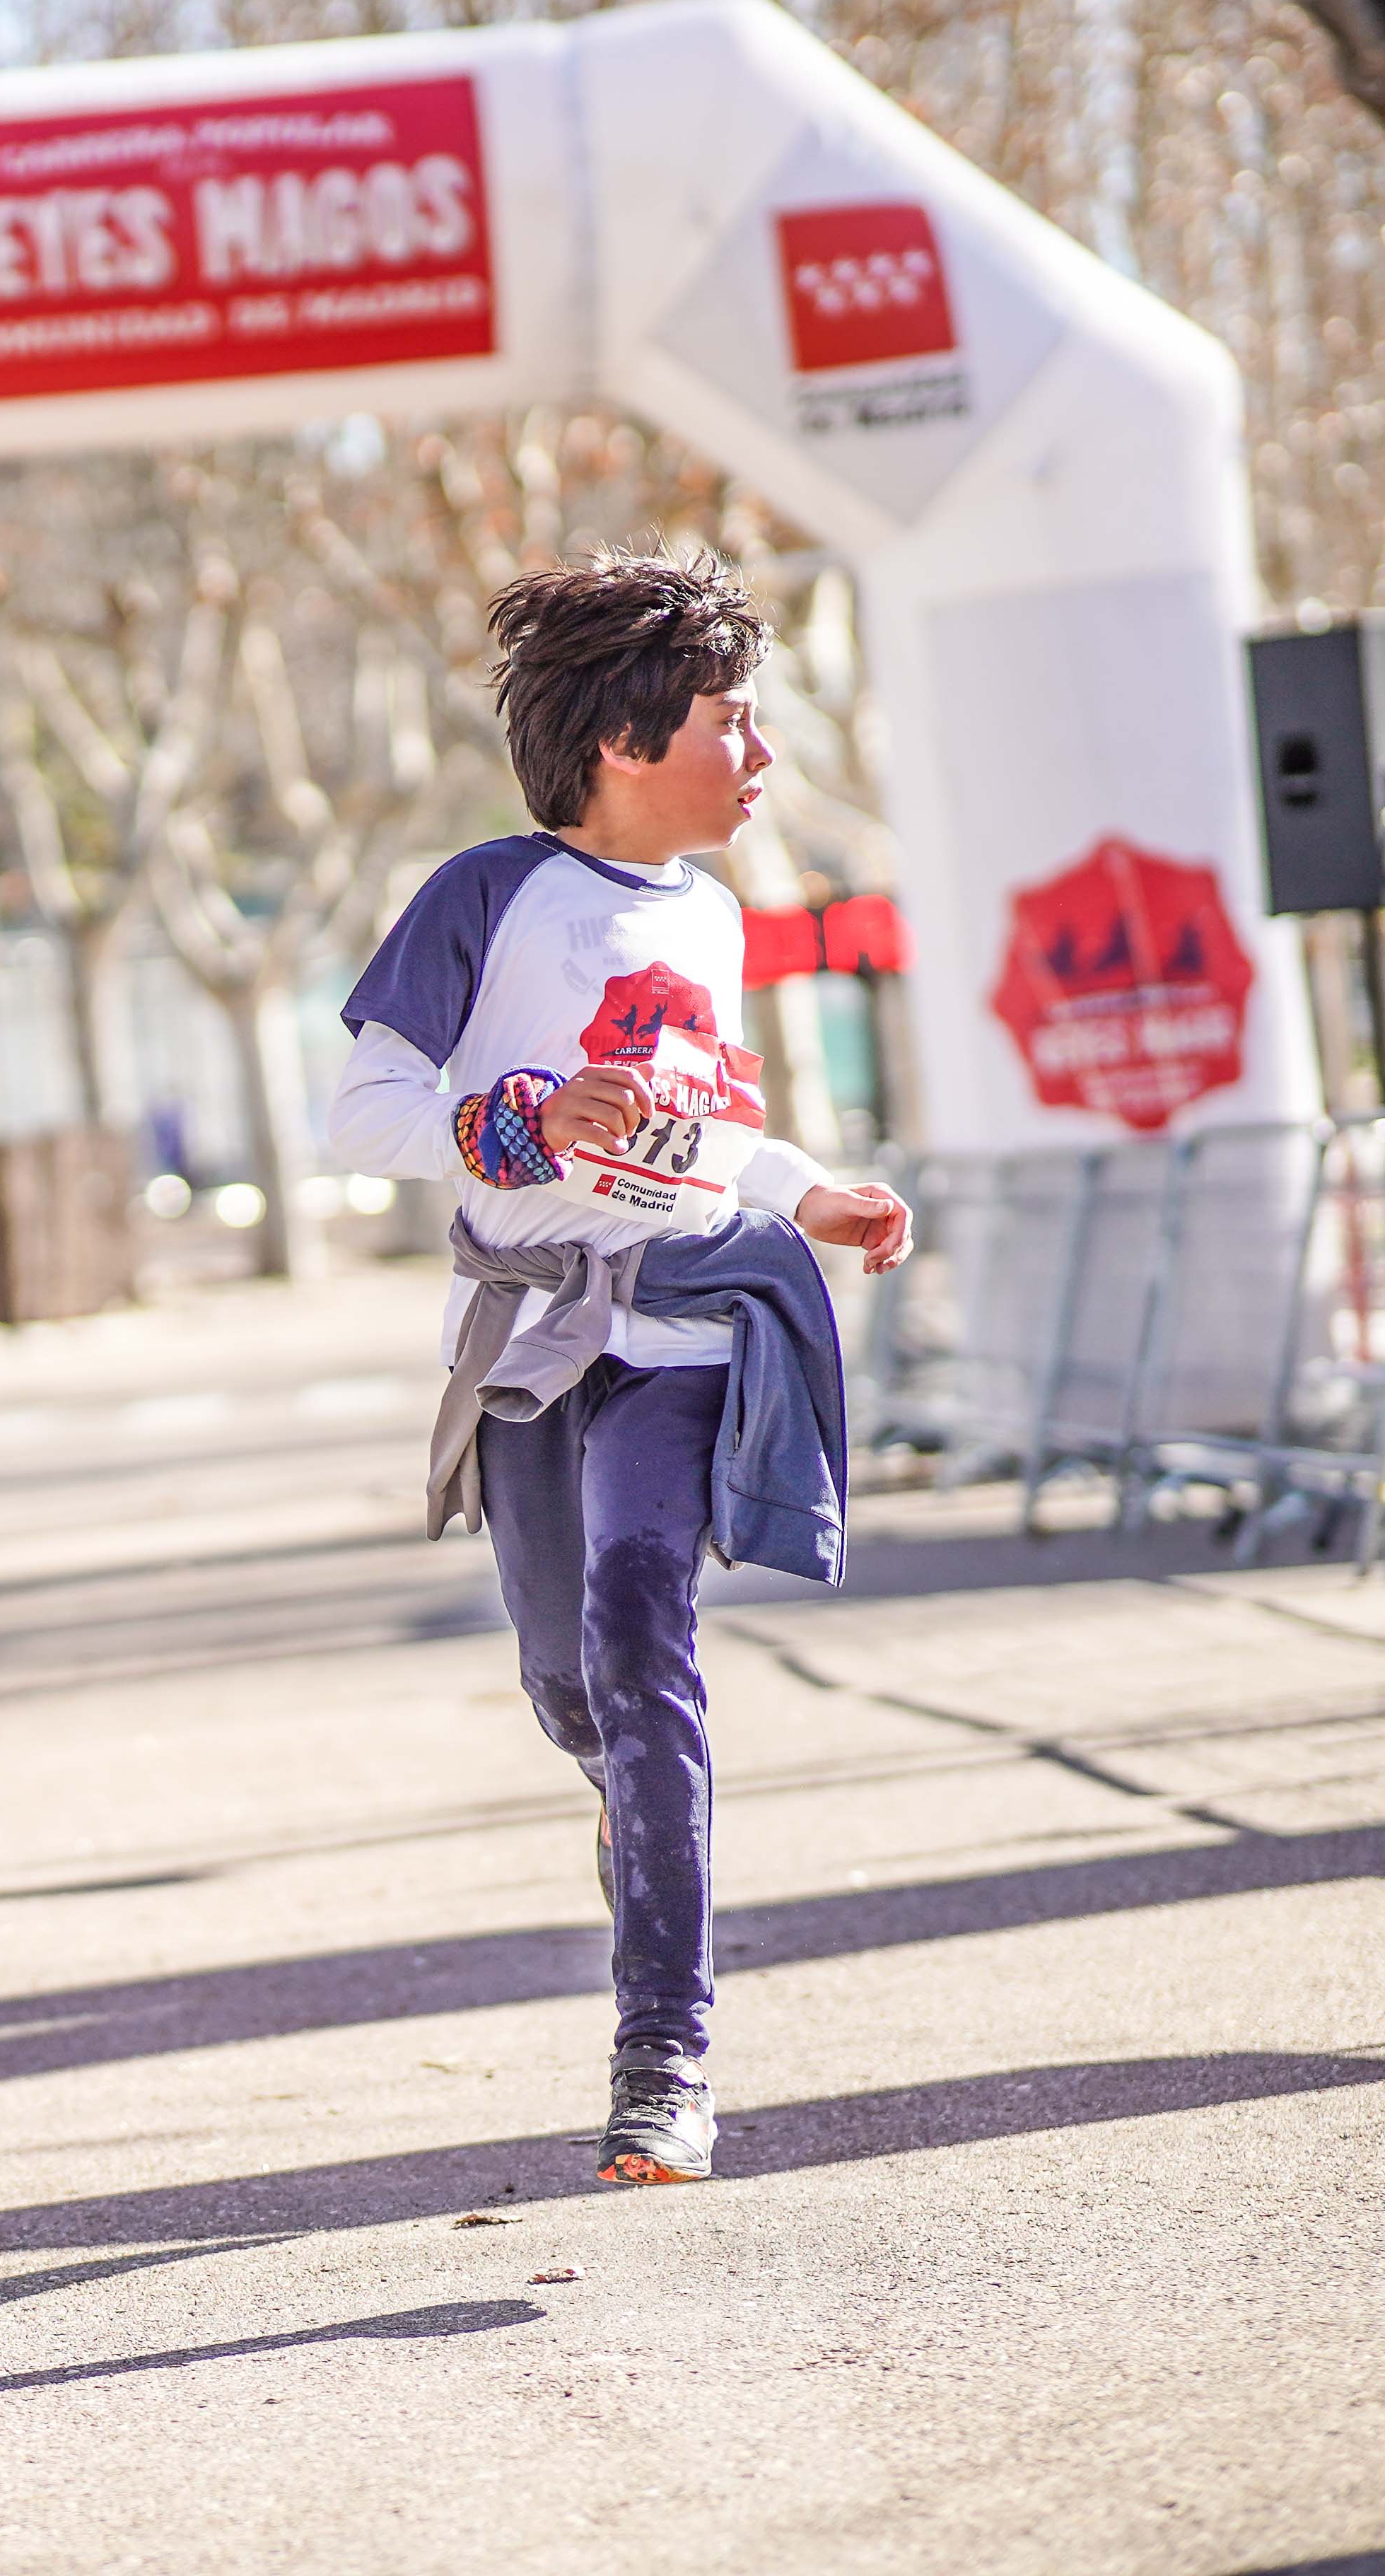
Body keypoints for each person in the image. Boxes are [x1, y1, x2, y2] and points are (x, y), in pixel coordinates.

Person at [324, 550, 910, 2189]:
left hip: (682, 1331)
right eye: (736, 721)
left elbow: (706, 1130)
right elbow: (361, 1118)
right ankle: (619, 1798)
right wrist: (518, 1118)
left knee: (643, 1631)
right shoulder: (486, 896)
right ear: (626, 742)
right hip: (525, 1343)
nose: (762, 754)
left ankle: (665, 2051)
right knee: (568, 1683)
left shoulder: (719, 917)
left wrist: (807, 1191)